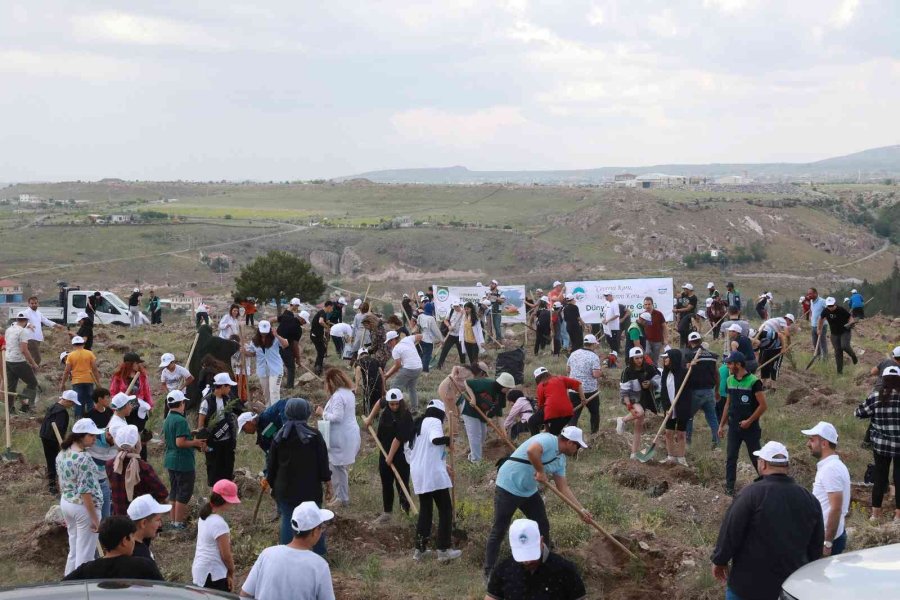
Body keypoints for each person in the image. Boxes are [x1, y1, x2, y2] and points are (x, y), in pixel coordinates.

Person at [711, 441, 823, 600]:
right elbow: (816, 546)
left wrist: (719, 559)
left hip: (748, 587)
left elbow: (731, 530)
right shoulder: (810, 499)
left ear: (763, 464)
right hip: (790, 588)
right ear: (786, 466)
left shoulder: (751, 494)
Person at [484, 427, 591, 580]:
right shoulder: (548, 440)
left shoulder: (560, 460)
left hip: (528, 491)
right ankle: (490, 572)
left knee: (542, 525)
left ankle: (543, 564)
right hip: (508, 485)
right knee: (499, 529)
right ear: (569, 442)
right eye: (578, 446)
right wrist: (540, 471)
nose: (577, 450)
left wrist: (580, 510)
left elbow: (563, 487)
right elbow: (532, 451)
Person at [268, 398, 332, 551]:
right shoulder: (315, 436)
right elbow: (323, 464)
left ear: (287, 413)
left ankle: (287, 553)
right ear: (307, 413)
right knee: (315, 520)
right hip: (309, 488)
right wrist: (328, 485)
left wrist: (272, 486)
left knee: (288, 520)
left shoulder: (279, 436)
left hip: (285, 488)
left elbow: (271, 466)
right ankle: (318, 553)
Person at [240, 502, 336, 600]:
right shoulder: (319, 565)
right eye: (321, 528)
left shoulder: (267, 554)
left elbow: (245, 594)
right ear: (315, 531)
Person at [408, 399, 461, 562]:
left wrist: (444, 465)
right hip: (431, 474)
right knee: (445, 509)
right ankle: (443, 550)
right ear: (440, 413)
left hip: (420, 472)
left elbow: (428, 451)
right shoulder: (434, 421)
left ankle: (420, 550)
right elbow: (436, 440)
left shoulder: (420, 424)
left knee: (426, 511)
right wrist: (449, 440)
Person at [485, 518, 586, 600]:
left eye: (530, 554)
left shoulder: (565, 570)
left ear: (541, 541)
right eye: (522, 556)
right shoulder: (503, 570)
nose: (527, 561)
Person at [57, 418, 105, 575]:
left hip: (67, 502)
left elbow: (61, 480)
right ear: (80, 436)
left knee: (75, 549)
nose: (95, 439)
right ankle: (81, 588)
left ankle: (68, 582)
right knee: (85, 554)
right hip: (83, 507)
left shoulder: (63, 452)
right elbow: (85, 491)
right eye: (91, 435)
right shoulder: (83, 458)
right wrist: (95, 519)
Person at [718, 351, 768, 496]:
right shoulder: (729, 380)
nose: (727, 366)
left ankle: (765, 484)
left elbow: (763, 406)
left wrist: (749, 421)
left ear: (738, 364)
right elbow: (728, 404)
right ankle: (729, 488)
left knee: (756, 457)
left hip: (750, 428)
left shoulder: (754, 381)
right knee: (731, 457)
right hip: (734, 427)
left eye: (730, 363)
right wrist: (721, 425)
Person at [855, 365, 900, 521]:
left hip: (881, 445)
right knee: (899, 478)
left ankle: (876, 514)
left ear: (883, 380)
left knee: (880, 478)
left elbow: (859, 413)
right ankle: (898, 516)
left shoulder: (875, 397)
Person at [364, 388, 414, 524]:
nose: (394, 406)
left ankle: (405, 512)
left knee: (401, 483)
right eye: (392, 404)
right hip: (384, 450)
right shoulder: (387, 402)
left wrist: (390, 457)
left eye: (397, 404)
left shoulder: (405, 416)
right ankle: (387, 513)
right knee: (386, 482)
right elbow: (379, 403)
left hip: (400, 454)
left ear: (401, 402)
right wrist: (370, 418)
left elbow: (398, 439)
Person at [800, 421, 850, 556]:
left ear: (824, 443)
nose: (808, 444)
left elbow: (836, 508)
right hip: (827, 536)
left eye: (812, 440)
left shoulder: (831, 469)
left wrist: (827, 543)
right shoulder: (830, 466)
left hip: (827, 540)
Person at [63, 515, 164, 581]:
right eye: (132, 536)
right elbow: (164, 590)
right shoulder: (144, 565)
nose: (134, 541)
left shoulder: (86, 569)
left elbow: (63, 586)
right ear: (125, 541)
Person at [315, 368, 361, 508]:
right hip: (347, 435)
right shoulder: (349, 393)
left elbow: (337, 417)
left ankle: (341, 498)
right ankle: (341, 496)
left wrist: (323, 413)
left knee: (337, 467)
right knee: (339, 467)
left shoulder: (338, 396)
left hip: (341, 437)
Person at [163, 390, 205, 530]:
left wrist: (189, 434)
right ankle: (179, 523)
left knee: (174, 491)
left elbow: (176, 437)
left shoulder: (168, 418)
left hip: (171, 460)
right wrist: (196, 443)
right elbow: (180, 443)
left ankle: (173, 521)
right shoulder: (180, 420)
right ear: (181, 403)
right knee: (184, 492)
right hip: (183, 462)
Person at [106, 424, 168, 516]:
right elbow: (162, 493)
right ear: (137, 444)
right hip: (139, 520)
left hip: (119, 518)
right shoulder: (143, 467)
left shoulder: (111, 464)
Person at [192, 479, 240, 592]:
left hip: (200, 570)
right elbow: (226, 555)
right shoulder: (219, 524)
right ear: (226, 501)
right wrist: (231, 572)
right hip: (214, 574)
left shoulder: (204, 516)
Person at [459, 372, 515, 463]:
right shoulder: (487, 383)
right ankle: (476, 461)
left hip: (481, 411)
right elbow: (467, 382)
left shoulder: (501, 396)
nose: (508, 391)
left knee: (483, 434)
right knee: (475, 434)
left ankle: (472, 455)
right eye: (508, 388)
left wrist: (504, 433)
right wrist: (473, 398)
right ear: (503, 385)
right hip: (469, 407)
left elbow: (499, 416)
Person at [616, 348, 660, 459]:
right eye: (636, 358)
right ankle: (622, 420)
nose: (639, 360)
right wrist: (629, 406)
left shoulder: (649, 367)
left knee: (638, 425)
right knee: (639, 412)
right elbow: (624, 391)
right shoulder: (627, 371)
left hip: (646, 398)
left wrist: (650, 383)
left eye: (641, 357)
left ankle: (634, 453)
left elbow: (658, 379)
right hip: (632, 397)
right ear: (631, 359)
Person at [198, 372, 240, 486]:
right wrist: (202, 442)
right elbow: (201, 423)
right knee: (214, 471)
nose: (230, 388)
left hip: (227, 442)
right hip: (213, 442)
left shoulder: (228, 399)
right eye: (228, 386)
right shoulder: (207, 401)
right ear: (222, 386)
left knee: (227, 469)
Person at [109, 353, 153, 459]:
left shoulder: (141, 376)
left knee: (138, 434)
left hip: (139, 410)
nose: (139, 365)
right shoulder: (118, 377)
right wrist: (121, 402)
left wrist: (150, 406)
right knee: (126, 435)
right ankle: (126, 457)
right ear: (131, 364)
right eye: (137, 363)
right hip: (125, 410)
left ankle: (141, 458)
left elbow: (146, 391)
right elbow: (113, 392)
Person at [684, 332, 720, 449]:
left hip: (695, 391)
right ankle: (717, 441)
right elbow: (716, 374)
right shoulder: (712, 355)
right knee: (712, 417)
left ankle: (687, 442)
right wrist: (717, 390)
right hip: (709, 390)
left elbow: (685, 372)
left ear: (689, 342)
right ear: (700, 340)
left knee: (688, 416)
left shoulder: (689, 355)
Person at [40, 390, 80, 494]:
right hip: (53, 440)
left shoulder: (54, 407)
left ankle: (53, 484)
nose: (72, 405)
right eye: (72, 403)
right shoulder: (62, 412)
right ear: (67, 401)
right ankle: (53, 487)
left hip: (45, 436)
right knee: (55, 462)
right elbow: (58, 429)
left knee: (51, 461)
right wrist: (62, 443)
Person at [659, 348, 690, 466]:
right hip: (669, 409)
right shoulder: (665, 373)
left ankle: (681, 457)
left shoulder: (684, 373)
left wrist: (692, 367)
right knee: (668, 432)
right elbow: (663, 391)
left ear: (673, 359)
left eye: (666, 358)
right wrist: (666, 407)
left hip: (682, 407)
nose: (664, 360)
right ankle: (670, 456)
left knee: (681, 433)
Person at [567, 335, 602, 434]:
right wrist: (601, 372)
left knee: (573, 415)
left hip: (573, 390)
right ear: (593, 344)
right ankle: (594, 434)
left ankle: (569, 436)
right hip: (590, 391)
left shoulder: (574, 353)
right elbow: (595, 374)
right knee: (594, 413)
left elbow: (568, 369)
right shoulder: (594, 356)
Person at [4, 311, 39, 412]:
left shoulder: (9, 329)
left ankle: (10, 409)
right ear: (26, 320)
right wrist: (33, 363)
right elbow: (24, 350)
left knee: (11, 386)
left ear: (16, 319)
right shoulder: (23, 332)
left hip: (8, 360)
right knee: (32, 382)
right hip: (18, 361)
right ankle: (25, 405)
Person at [535, 367, 584, 435]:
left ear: (537, 378)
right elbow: (578, 384)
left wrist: (546, 428)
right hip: (568, 413)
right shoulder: (560, 378)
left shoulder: (541, 385)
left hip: (552, 413)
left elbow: (541, 407)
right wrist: (583, 399)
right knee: (555, 432)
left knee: (552, 434)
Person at [249, 319, 289, 406]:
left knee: (274, 391)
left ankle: (276, 413)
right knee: (266, 393)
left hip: (276, 370)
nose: (264, 334)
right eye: (262, 332)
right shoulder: (254, 341)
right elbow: (252, 353)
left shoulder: (275, 338)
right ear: (258, 330)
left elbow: (285, 344)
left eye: (266, 332)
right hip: (262, 370)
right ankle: (268, 412)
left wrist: (277, 335)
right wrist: (244, 352)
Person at [384, 330, 424, 412]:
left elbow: (397, 366)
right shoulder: (407, 339)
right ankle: (414, 409)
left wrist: (387, 376)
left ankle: (396, 409)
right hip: (419, 367)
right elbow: (420, 336)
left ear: (394, 339)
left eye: (389, 342)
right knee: (411, 388)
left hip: (409, 369)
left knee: (394, 387)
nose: (388, 344)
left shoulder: (396, 349)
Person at [818, 296, 858, 375]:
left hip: (844, 331)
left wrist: (851, 323)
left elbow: (850, 317)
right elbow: (821, 320)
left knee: (845, 346)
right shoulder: (825, 311)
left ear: (834, 304)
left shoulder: (841, 309)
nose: (830, 307)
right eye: (828, 306)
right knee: (838, 351)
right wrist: (819, 329)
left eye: (831, 305)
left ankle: (853, 355)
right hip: (834, 334)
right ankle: (839, 372)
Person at [127, 494, 171, 564]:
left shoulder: (131, 545)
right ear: (143, 523)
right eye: (158, 520)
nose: (160, 524)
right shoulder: (141, 558)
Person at [24, 295, 66, 365]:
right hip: (30, 338)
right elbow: (23, 322)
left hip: (37, 338)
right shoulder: (26, 312)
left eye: (35, 303)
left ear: (38, 304)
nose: (34, 305)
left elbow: (45, 321)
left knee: (32, 357)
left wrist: (56, 325)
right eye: (32, 303)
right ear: (28, 304)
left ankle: (29, 371)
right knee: (37, 358)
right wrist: (29, 325)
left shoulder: (38, 313)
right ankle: (32, 371)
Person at [277, 300, 305, 389]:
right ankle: (289, 387)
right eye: (304, 321)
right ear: (301, 318)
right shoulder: (298, 329)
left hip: (275, 344)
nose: (304, 323)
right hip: (285, 347)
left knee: (278, 366)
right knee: (291, 367)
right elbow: (295, 345)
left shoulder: (286, 316)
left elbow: (273, 319)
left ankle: (277, 384)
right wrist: (298, 358)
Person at [355, 347, 385, 415]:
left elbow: (358, 370)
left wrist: (357, 386)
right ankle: (376, 418)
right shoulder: (375, 360)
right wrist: (383, 388)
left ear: (359, 355)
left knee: (367, 404)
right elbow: (382, 374)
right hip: (378, 384)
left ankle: (368, 417)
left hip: (368, 385)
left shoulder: (359, 361)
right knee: (377, 403)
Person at [437, 301, 467, 368]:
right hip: (451, 334)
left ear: (460, 305)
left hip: (460, 335)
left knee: (461, 351)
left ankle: (463, 365)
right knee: (445, 349)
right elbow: (445, 320)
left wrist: (464, 313)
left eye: (457, 306)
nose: (455, 308)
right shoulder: (451, 311)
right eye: (454, 306)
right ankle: (439, 365)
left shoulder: (464, 312)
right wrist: (449, 326)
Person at [417, 301, 443, 372]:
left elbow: (418, 325)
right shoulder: (431, 318)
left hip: (421, 338)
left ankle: (420, 367)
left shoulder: (420, 316)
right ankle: (425, 371)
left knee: (423, 354)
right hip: (429, 340)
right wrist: (441, 339)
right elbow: (435, 330)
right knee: (427, 356)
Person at [310, 301, 333, 375]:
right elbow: (320, 321)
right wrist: (327, 327)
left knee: (321, 351)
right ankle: (318, 368)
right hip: (315, 336)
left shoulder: (322, 313)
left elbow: (322, 321)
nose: (332, 310)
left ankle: (317, 366)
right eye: (331, 308)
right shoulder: (322, 313)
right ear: (329, 307)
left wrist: (327, 322)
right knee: (321, 351)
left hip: (316, 335)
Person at [458, 302, 485, 366]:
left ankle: (476, 372)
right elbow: (461, 328)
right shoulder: (464, 317)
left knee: (474, 358)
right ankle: (473, 371)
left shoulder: (475, 317)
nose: (466, 310)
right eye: (465, 309)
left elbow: (479, 330)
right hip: (466, 340)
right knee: (470, 358)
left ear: (471, 309)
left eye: (468, 309)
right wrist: (460, 338)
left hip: (475, 341)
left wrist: (481, 341)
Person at [640, 298, 666, 364]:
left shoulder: (659, 314)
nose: (647, 306)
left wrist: (665, 339)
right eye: (646, 304)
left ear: (652, 304)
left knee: (655, 359)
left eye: (649, 304)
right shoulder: (642, 315)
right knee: (647, 353)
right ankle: (649, 367)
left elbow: (664, 327)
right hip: (647, 340)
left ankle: (655, 370)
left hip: (658, 340)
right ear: (644, 305)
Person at [673, 283, 698, 348]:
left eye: (685, 289)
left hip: (689, 317)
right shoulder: (684, 295)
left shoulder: (693, 298)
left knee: (687, 332)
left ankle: (688, 346)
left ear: (689, 290)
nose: (684, 290)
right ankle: (682, 346)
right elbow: (678, 296)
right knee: (681, 332)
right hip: (682, 316)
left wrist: (678, 310)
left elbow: (688, 308)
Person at [806, 287, 828, 360]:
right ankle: (818, 357)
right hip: (813, 326)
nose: (808, 295)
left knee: (822, 343)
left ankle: (825, 359)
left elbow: (829, 311)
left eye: (810, 294)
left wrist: (822, 320)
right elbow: (812, 311)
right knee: (815, 343)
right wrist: (811, 318)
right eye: (808, 294)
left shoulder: (823, 301)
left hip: (822, 326)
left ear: (815, 293)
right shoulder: (812, 301)